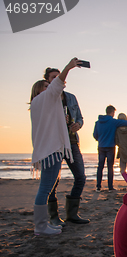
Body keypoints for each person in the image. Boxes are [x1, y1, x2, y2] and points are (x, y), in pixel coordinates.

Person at [30, 58, 81, 236]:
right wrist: (69, 67)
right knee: (46, 188)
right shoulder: (45, 98)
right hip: (51, 150)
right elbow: (57, 85)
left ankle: (43, 224)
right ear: (39, 90)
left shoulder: (39, 105)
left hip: (46, 150)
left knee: (46, 187)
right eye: (45, 86)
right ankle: (41, 226)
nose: (48, 88)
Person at [43, 67, 89, 225]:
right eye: (53, 77)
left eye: (59, 76)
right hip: (54, 144)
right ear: (47, 80)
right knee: (52, 182)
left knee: (81, 177)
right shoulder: (46, 98)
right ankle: (54, 216)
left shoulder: (71, 97)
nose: (57, 79)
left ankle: (72, 214)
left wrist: (78, 124)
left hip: (72, 143)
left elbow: (81, 118)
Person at [93, 105, 127, 192]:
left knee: (100, 166)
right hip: (110, 146)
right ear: (112, 112)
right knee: (110, 167)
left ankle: (98, 187)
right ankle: (110, 187)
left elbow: (95, 135)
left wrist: (100, 139)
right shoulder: (113, 122)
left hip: (101, 146)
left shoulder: (97, 122)